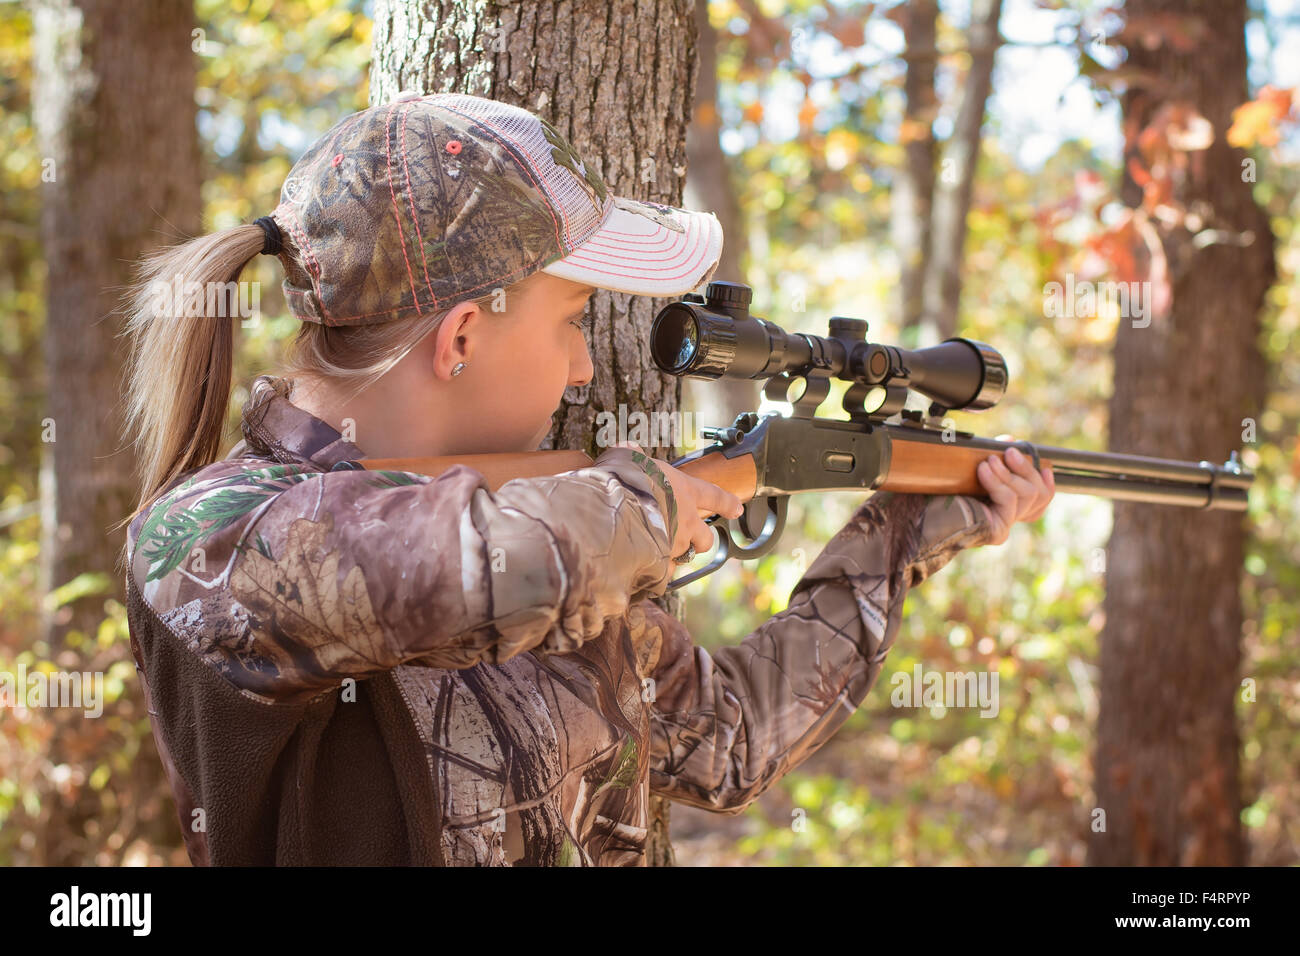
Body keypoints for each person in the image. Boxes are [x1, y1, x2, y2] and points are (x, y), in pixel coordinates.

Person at [120, 91, 1054, 866]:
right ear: (461, 337)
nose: (582, 369)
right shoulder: (213, 537)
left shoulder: (567, 522)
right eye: (573, 320)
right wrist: (661, 498)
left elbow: (729, 744)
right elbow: (490, 563)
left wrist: (909, 527)